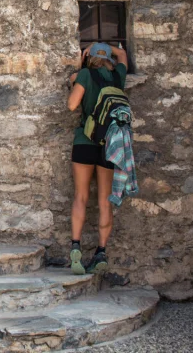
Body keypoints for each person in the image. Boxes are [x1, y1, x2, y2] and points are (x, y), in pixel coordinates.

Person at [66, 42, 128, 275]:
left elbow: (72, 105)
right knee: (104, 201)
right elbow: (121, 53)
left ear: (88, 57)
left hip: (85, 141)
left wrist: (77, 74)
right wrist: (106, 47)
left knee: (81, 196)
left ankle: (75, 250)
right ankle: (101, 252)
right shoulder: (117, 76)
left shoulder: (85, 74)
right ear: (108, 58)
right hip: (110, 144)